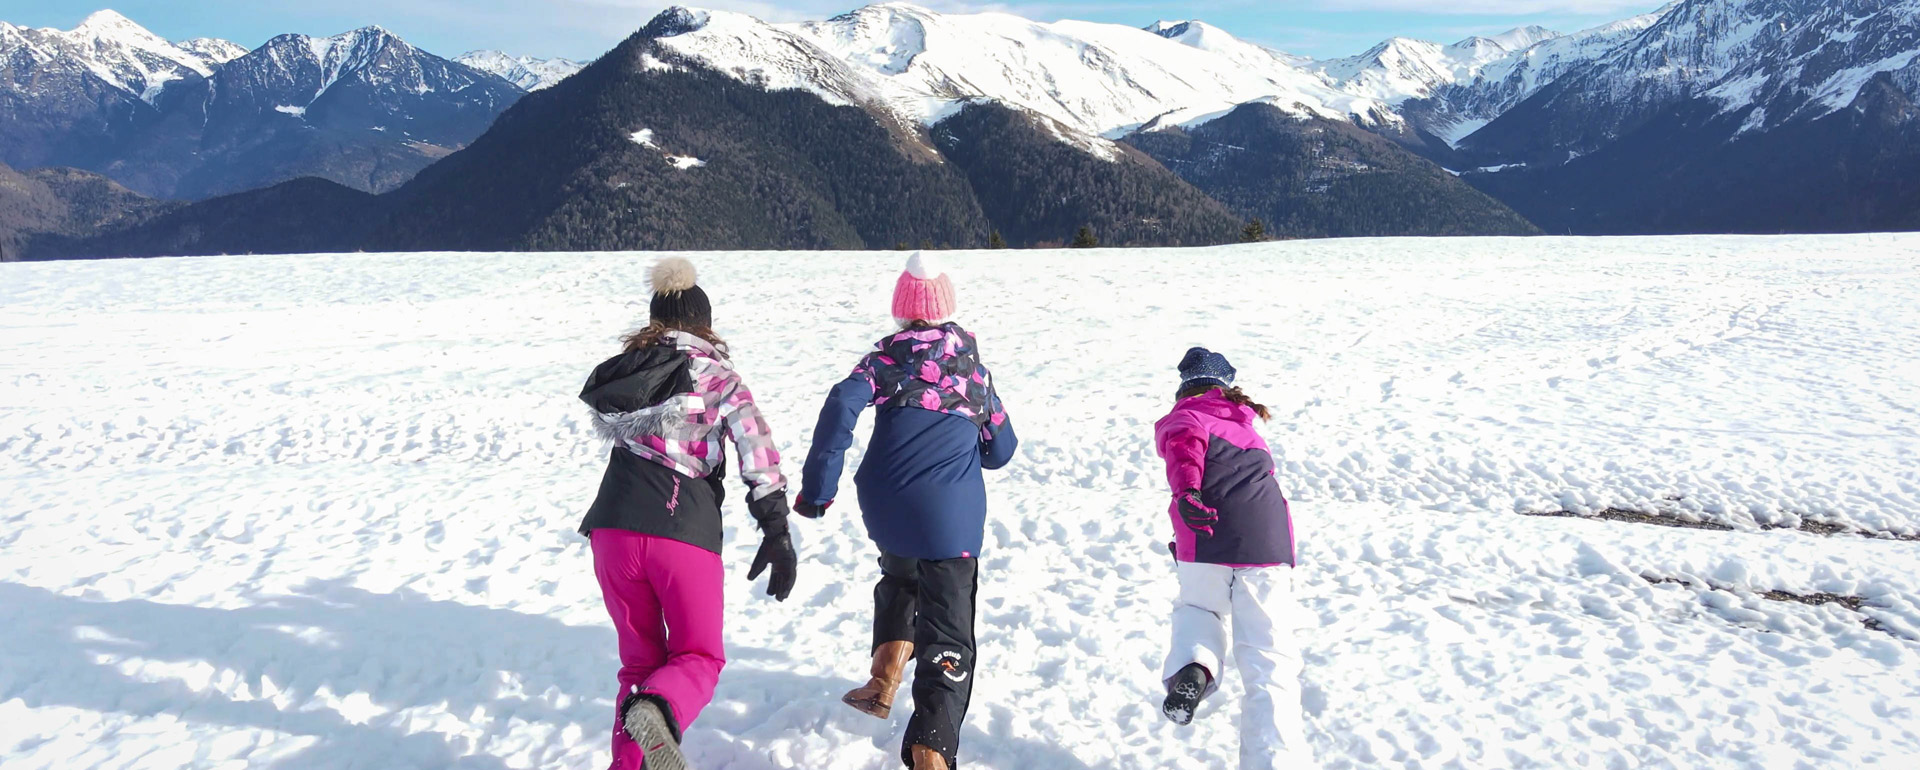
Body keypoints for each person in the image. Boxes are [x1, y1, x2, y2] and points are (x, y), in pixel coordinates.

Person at [794, 252, 1018, 770]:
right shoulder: (973, 372)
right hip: (949, 518)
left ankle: (884, 678)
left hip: (885, 500)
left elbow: (839, 405)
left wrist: (817, 490)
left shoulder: (883, 362)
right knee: (949, 627)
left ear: (901, 310)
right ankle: (931, 747)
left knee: (899, 571)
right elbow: (1002, 450)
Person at [577, 257, 797, 770]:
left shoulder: (627, 373)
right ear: (705, 323)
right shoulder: (719, 378)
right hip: (683, 529)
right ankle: (660, 708)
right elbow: (757, 454)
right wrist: (777, 530)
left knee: (639, 663)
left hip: (612, 527)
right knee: (698, 657)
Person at [1154, 347, 1315, 770]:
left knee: (1199, 609)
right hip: (1266, 543)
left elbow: (1186, 454)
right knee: (1269, 658)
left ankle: (1195, 665)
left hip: (1205, 535)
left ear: (1185, 388)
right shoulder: (1248, 427)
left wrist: (1187, 492)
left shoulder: (1187, 416)